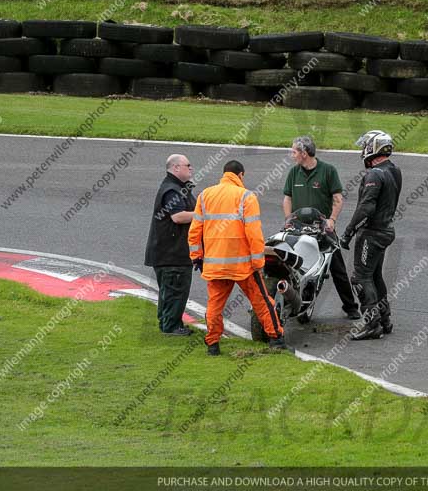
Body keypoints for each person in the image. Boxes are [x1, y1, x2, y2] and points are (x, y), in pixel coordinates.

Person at [188, 160, 287, 356]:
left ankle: (213, 345)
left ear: (224, 174)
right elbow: (254, 234)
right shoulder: (246, 197)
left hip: (215, 266)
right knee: (262, 301)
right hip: (243, 267)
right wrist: (259, 263)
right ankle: (276, 339)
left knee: (214, 306)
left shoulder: (205, 195)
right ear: (241, 175)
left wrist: (197, 257)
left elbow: (194, 230)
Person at [283, 136, 360, 320]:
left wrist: (332, 219)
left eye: (294, 152)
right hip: (298, 228)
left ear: (304, 153)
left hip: (322, 228)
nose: (292, 155)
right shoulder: (294, 173)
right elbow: (287, 198)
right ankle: (296, 303)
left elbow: (338, 199)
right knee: (291, 265)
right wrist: (288, 218)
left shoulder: (328, 171)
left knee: (338, 268)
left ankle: (350, 307)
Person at [339, 130, 402, 340]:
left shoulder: (374, 174)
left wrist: (348, 232)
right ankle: (385, 319)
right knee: (374, 275)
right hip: (385, 230)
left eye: (365, 145)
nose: (362, 150)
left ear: (373, 148)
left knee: (360, 277)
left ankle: (372, 324)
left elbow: (366, 207)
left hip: (372, 233)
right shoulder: (394, 170)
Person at [144, 154, 196, 336]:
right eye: (187, 165)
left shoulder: (178, 188)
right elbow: (178, 216)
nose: (191, 168)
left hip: (171, 252)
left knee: (170, 291)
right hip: (172, 254)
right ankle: (171, 326)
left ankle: (169, 323)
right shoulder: (171, 190)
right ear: (175, 168)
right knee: (175, 290)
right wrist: (204, 216)